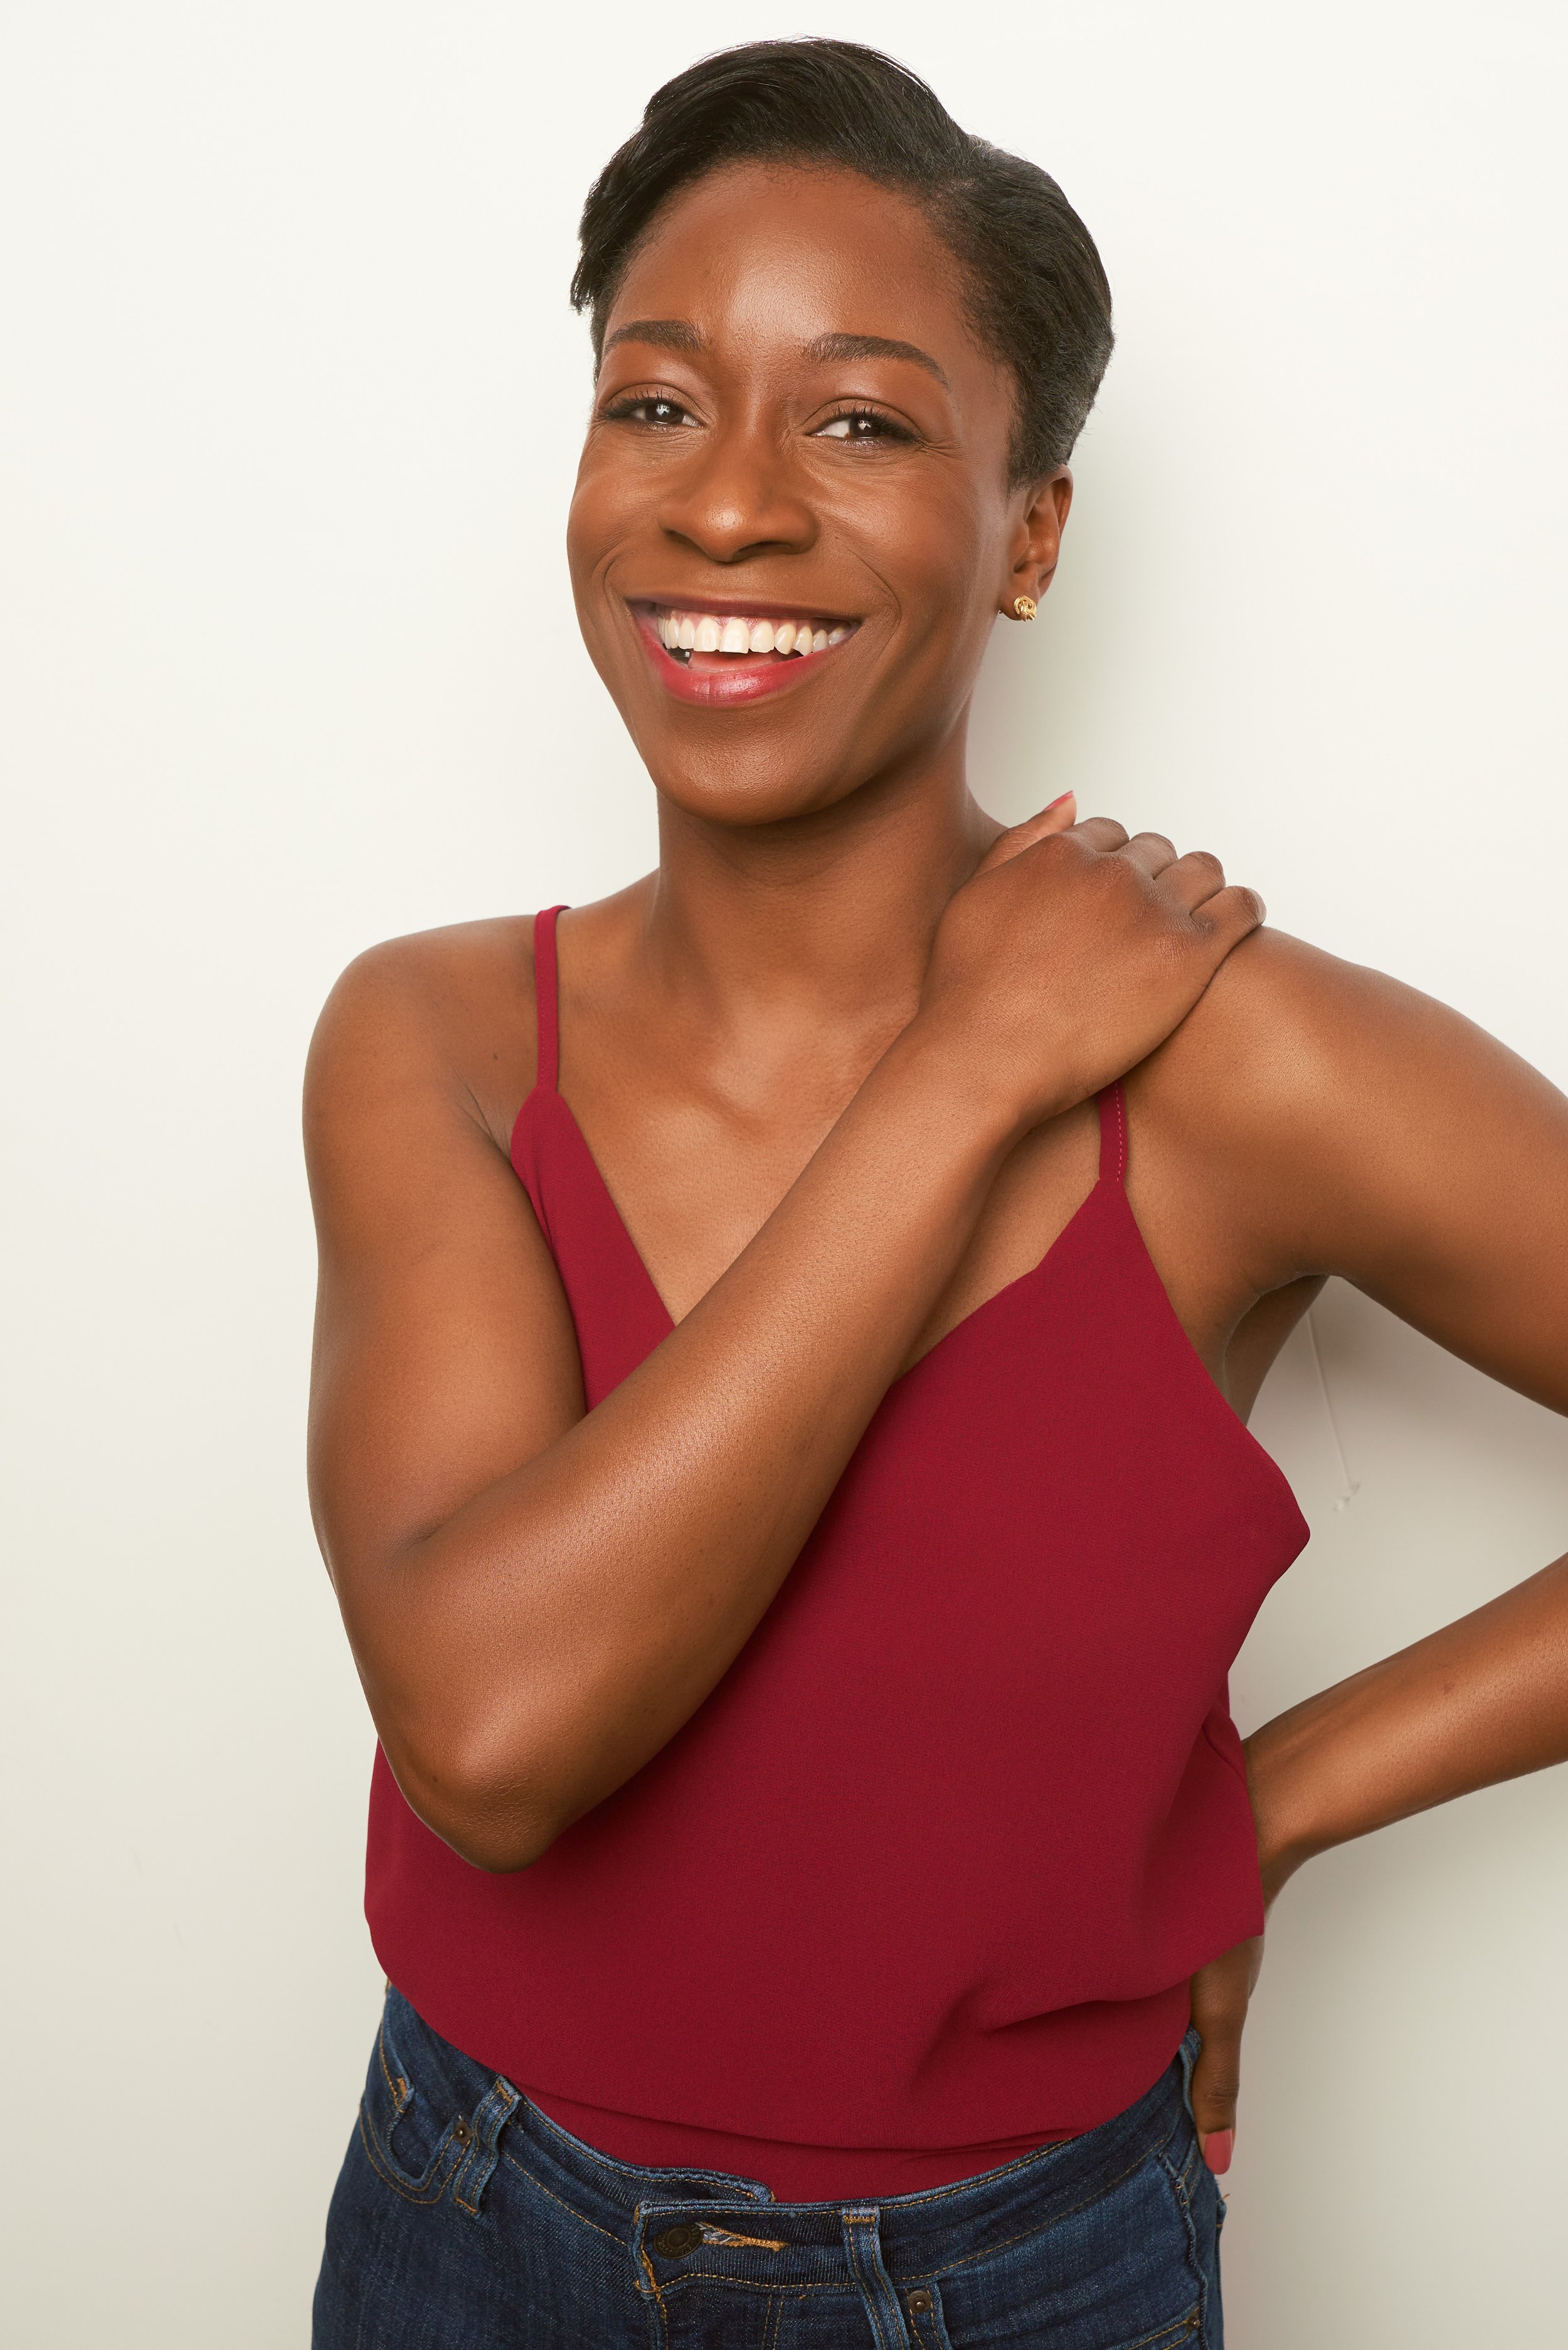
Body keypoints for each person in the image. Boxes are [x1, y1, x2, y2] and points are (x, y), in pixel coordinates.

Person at [305, 40, 1568, 2349]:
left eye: (863, 421)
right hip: (457, 2202)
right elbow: (491, 1738)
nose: (729, 508)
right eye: (656, 402)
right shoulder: (435, 1038)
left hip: (1018, 2275)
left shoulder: (1237, 1058)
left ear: (1033, 529)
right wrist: (967, 1071)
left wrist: (1269, 1802)